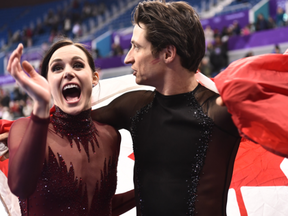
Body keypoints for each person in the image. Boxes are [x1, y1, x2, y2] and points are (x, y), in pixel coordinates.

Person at [90, 1, 288, 215]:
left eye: (136, 47)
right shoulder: (131, 107)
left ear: (167, 54)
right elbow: (67, 125)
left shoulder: (221, 112)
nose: (128, 57)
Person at [6, 39, 135, 216]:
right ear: (48, 82)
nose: (68, 72)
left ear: (94, 78)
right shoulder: (25, 128)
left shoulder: (110, 136)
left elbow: (103, 206)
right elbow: (20, 186)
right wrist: (41, 106)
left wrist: (148, 188)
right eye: (57, 68)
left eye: (78, 65)